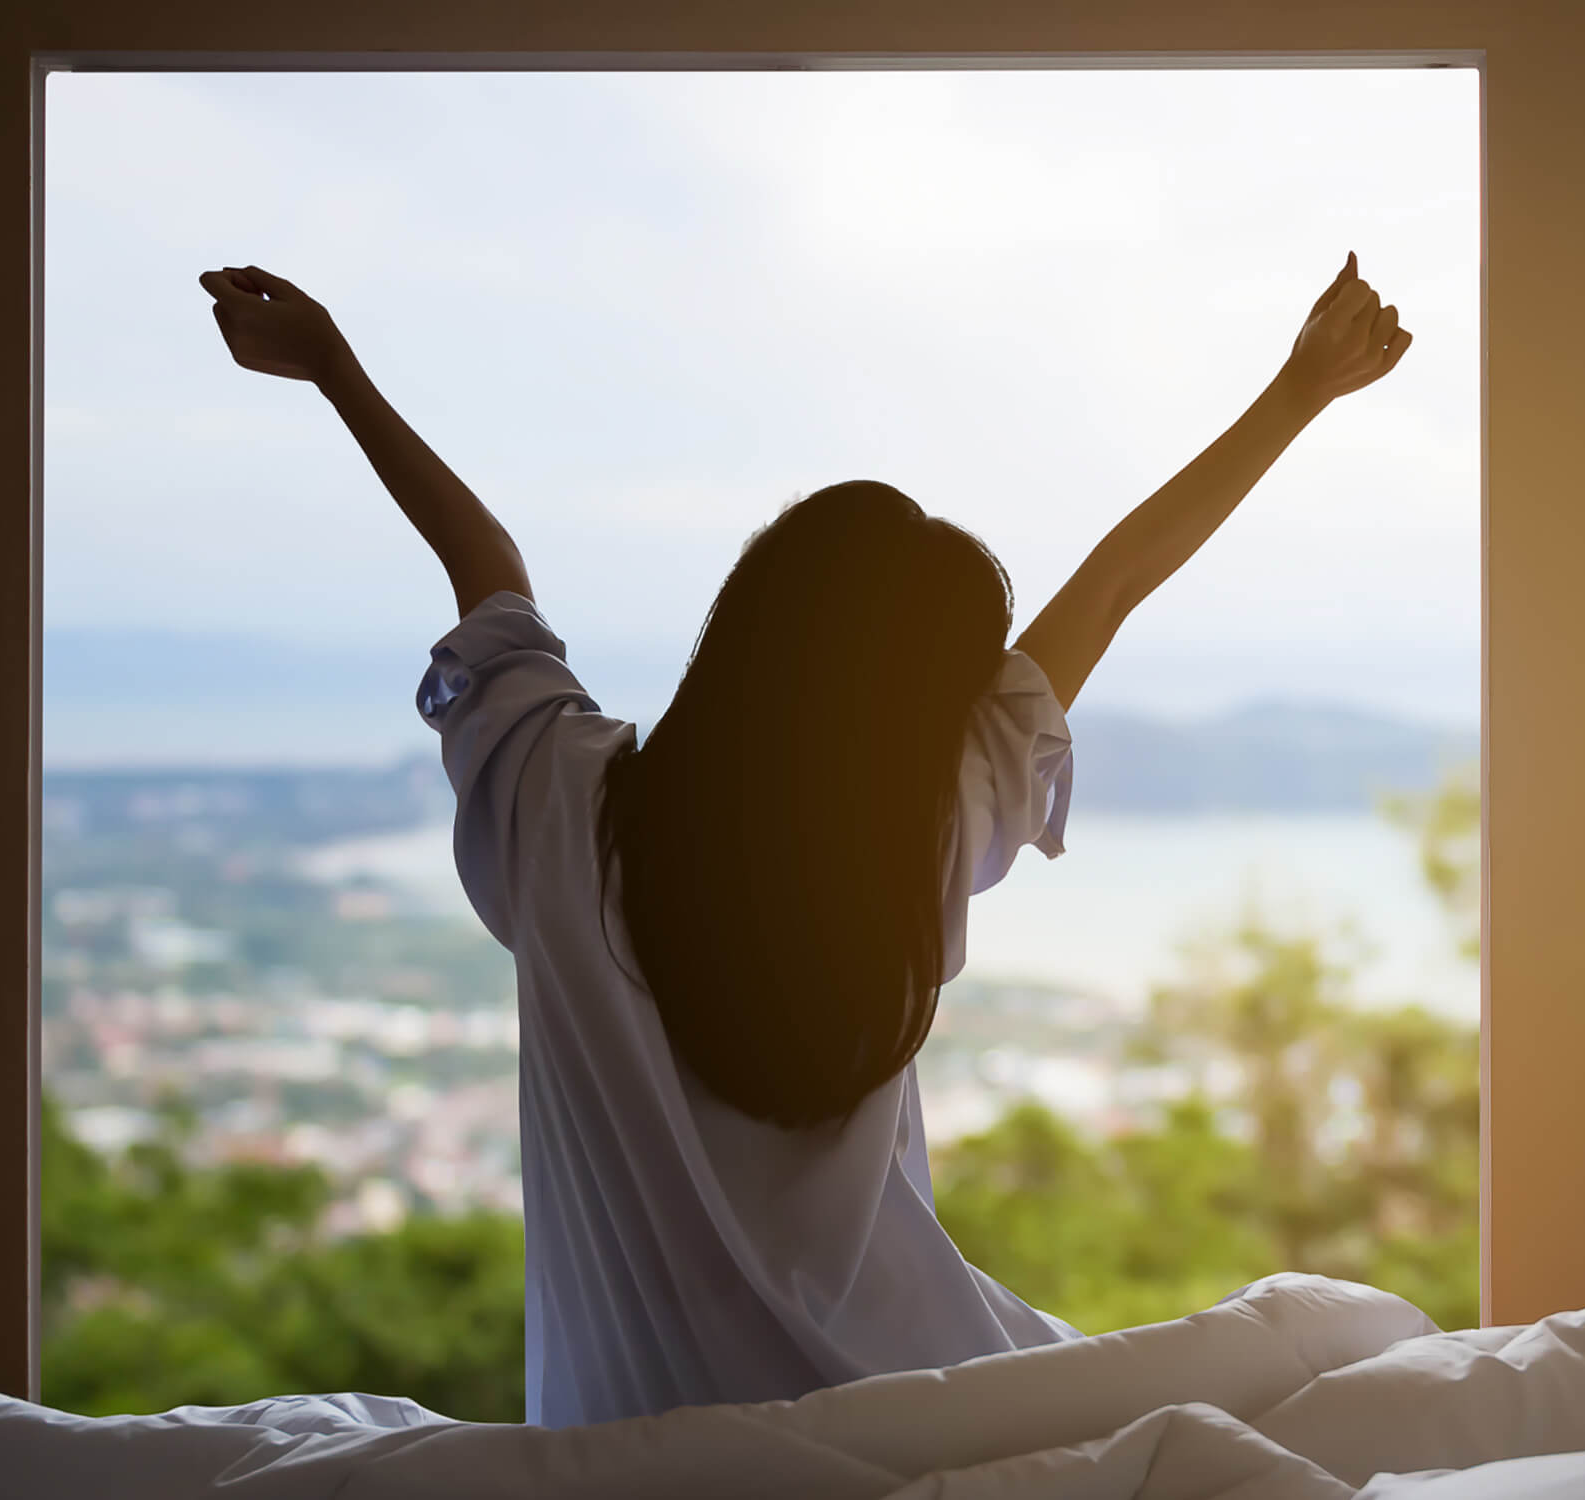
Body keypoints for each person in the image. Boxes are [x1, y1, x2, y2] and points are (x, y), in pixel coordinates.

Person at [198, 255, 1413, 1427]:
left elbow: (486, 570)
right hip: (925, 1413)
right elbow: (1113, 582)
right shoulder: (924, 830)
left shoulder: (560, 806)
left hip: (637, 1443)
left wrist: (337, 372)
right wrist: (1298, 393)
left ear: (744, 625)